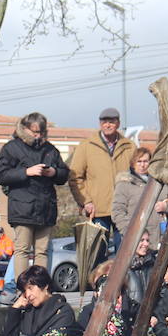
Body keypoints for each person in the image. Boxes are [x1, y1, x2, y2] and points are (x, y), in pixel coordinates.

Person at [0, 112, 69, 281]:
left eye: (41, 132)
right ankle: (22, 288)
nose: (38, 135)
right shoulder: (11, 148)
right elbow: (1, 175)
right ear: (25, 129)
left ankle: (40, 287)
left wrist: (54, 172)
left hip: (46, 208)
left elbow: (65, 174)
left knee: (42, 251)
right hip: (22, 209)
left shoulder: (50, 149)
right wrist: (26, 172)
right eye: (34, 132)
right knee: (22, 249)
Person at [69, 107, 136, 254]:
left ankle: (123, 278)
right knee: (96, 255)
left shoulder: (130, 147)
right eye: (104, 122)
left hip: (124, 209)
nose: (107, 125)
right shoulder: (86, 146)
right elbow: (75, 177)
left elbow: (138, 176)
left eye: (111, 122)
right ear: (100, 124)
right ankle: (97, 278)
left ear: (118, 123)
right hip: (97, 210)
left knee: (125, 254)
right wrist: (85, 201)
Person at [112, 147, 168, 256]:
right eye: (139, 161)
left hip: (160, 239)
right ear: (133, 163)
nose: (142, 165)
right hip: (135, 243)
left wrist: (166, 206)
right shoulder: (124, 184)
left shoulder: (161, 183)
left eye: (145, 161)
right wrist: (131, 233)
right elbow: (117, 212)